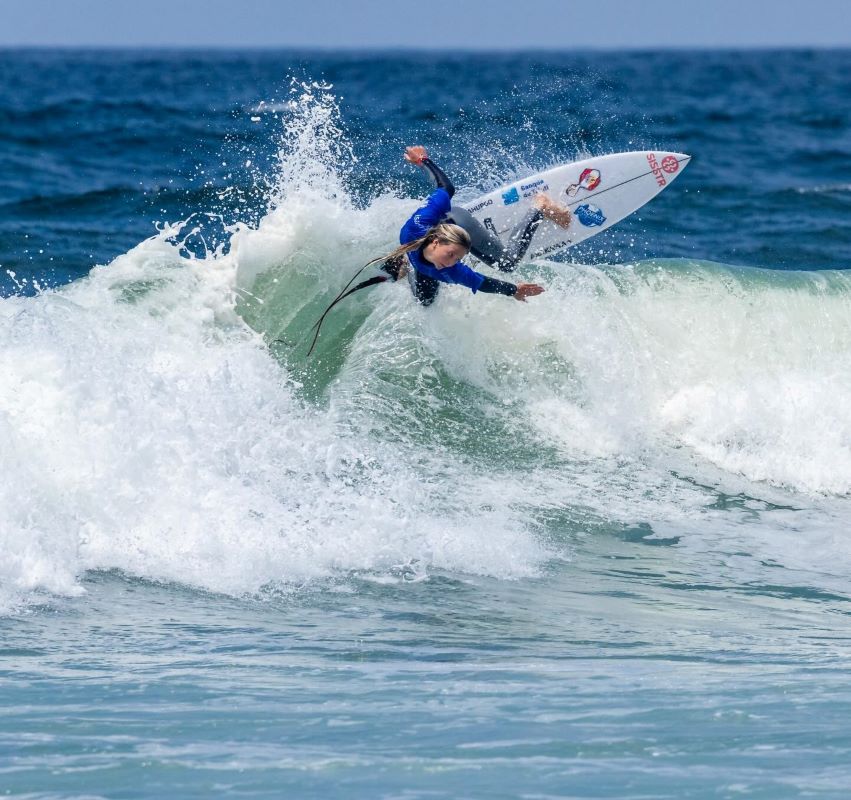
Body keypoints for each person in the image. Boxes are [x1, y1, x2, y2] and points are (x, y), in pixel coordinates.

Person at [382, 145, 572, 306]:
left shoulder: (450, 270)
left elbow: (480, 282)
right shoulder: (418, 225)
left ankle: (540, 207)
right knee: (425, 301)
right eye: (451, 256)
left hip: (461, 224)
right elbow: (446, 188)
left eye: (456, 259)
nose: (451, 263)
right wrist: (422, 161)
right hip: (436, 237)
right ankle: (407, 262)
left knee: (507, 263)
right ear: (434, 241)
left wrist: (514, 290)